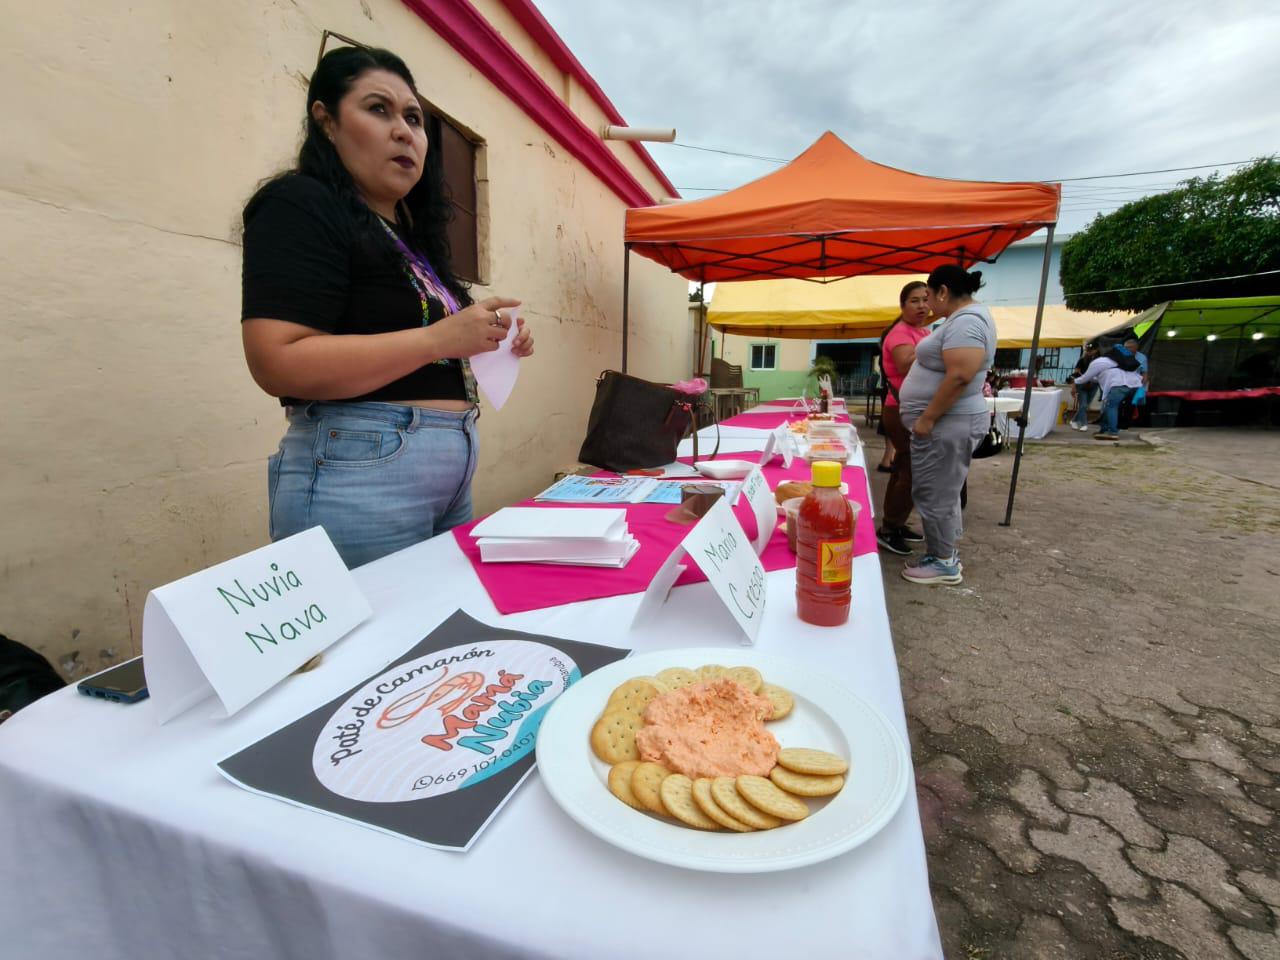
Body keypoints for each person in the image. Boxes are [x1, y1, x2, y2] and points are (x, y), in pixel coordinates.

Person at [240, 46, 534, 568]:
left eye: (414, 118)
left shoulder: (410, 239)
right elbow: (277, 361)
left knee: (435, 639)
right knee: (380, 645)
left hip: (448, 471)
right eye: (379, 109)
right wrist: (439, 339)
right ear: (326, 121)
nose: (405, 131)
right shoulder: (301, 203)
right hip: (361, 476)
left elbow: (430, 345)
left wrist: (493, 336)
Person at [897, 265, 996, 585]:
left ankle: (943, 562)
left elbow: (960, 375)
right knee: (939, 489)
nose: (927, 306)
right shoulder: (960, 320)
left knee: (936, 491)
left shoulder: (967, 322)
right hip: (944, 422)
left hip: (946, 422)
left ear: (943, 291)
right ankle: (941, 551)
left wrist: (927, 418)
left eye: (929, 297)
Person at [875, 281, 932, 556]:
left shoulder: (921, 331)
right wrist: (937, 345)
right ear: (902, 305)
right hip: (900, 409)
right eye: (914, 300)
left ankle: (895, 523)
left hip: (913, 408)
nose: (922, 305)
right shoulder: (900, 333)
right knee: (909, 469)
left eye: (925, 299)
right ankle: (888, 529)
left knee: (904, 467)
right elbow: (905, 366)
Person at [1072, 343, 1143, 440]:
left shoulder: (1098, 362)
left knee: (1111, 406)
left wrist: (1074, 381)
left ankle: (1112, 432)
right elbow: (1097, 378)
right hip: (1134, 386)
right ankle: (1104, 430)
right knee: (1108, 407)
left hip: (1119, 386)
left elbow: (1085, 378)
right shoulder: (1116, 361)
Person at [1067, 342, 1101, 431]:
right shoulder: (1082, 360)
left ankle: (1074, 420)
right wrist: (1073, 387)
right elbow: (1075, 374)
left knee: (1085, 405)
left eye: (1091, 350)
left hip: (1094, 385)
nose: (1089, 352)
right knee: (1083, 405)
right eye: (1087, 351)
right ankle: (1083, 424)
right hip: (1082, 385)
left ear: (1096, 350)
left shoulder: (1100, 360)